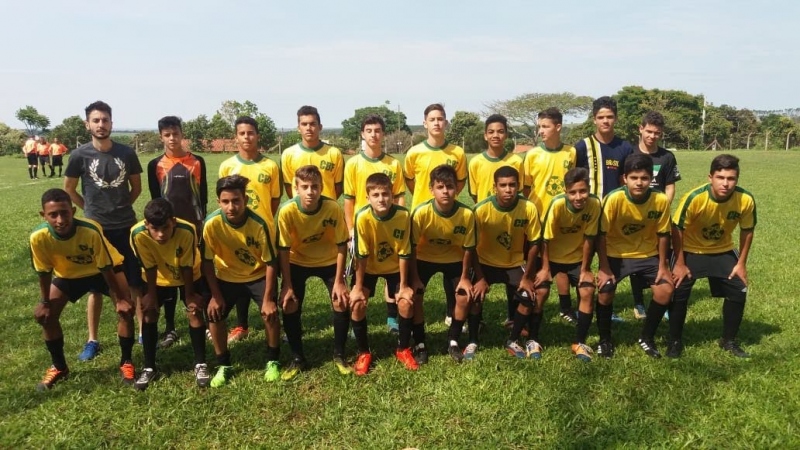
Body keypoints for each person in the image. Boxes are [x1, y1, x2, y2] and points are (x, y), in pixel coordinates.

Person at [30, 189, 135, 390]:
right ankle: (59, 367)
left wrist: (121, 298)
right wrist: (44, 303)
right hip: (68, 275)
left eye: (64, 213)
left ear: (73, 210)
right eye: (53, 215)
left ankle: (127, 362)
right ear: (43, 215)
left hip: (106, 271)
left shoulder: (90, 230)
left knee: (126, 310)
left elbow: (105, 267)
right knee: (47, 317)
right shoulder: (38, 237)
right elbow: (44, 272)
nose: (60, 220)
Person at [64, 101, 143, 362]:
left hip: (125, 227)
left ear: (111, 122)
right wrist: (90, 210)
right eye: (96, 120)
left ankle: (142, 332)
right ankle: (92, 340)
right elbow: (69, 189)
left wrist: (121, 208)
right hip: (96, 231)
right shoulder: (79, 156)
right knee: (96, 289)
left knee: (134, 282)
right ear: (87, 124)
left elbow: (136, 188)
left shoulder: (126, 153)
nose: (101, 124)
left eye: (105, 120)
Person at [668, 154, 756, 358]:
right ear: (710, 177)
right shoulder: (695, 198)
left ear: (737, 179)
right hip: (690, 250)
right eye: (720, 177)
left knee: (739, 289)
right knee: (679, 290)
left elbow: (747, 230)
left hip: (722, 249)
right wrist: (679, 263)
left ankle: (729, 341)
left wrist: (741, 264)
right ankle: (674, 341)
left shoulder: (745, 199)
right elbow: (676, 228)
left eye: (731, 178)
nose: (726, 183)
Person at [202, 175, 282, 385]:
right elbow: (207, 262)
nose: (231, 206)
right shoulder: (211, 224)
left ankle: (273, 360)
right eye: (226, 201)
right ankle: (223, 364)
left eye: (236, 201)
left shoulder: (259, 224)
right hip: (227, 278)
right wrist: (215, 296)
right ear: (218, 201)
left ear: (245, 200)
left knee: (270, 314)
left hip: (257, 276)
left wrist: (268, 298)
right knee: (214, 315)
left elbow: (271, 263)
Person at [276, 165, 350, 380]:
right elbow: (283, 249)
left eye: (315, 187)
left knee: (341, 300)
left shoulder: (332, 207)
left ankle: (339, 354)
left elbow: (341, 245)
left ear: (321, 187)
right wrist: (287, 285)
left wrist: (339, 280)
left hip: (328, 260)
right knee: (290, 303)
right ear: (295, 188)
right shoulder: (287, 210)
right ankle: (298, 357)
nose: (310, 192)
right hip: (297, 261)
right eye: (305, 187)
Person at [596, 154, 673, 358]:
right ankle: (605, 340)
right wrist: (604, 268)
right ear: (625, 178)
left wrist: (664, 265)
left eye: (644, 178)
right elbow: (601, 235)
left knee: (665, 290)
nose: (639, 183)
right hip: (616, 254)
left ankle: (647, 337)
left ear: (651, 179)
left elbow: (664, 233)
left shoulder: (660, 199)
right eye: (634, 178)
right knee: (605, 291)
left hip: (648, 255)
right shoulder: (614, 199)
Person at [130, 198, 210, 390]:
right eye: (154, 229)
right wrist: (149, 294)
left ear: (173, 221)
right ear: (146, 224)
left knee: (194, 311)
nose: (160, 234)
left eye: (165, 228)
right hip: (157, 277)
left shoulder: (188, 230)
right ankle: (149, 367)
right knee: (149, 313)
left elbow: (187, 265)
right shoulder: (137, 234)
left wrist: (189, 295)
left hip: (190, 273)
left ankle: (201, 363)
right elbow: (148, 266)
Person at [146, 116, 208, 349]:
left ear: (182, 134)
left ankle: (201, 319)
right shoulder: (155, 165)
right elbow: (155, 200)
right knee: (168, 277)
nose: (172, 138)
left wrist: (200, 223)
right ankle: (170, 327)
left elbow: (202, 197)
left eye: (176, 133)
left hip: (193, 229)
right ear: (161, 137)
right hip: (167, 231)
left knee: (194, 273)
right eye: (167, 134)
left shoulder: (197, 162)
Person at [472, 167, 547, 360]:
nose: (508, 189)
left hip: (513, 263)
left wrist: (528, 277)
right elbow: (469, 246)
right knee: (471, 297)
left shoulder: (528, 207)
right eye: (503, 185)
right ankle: (472, 339)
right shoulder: (481, 210)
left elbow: (534, 243)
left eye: (512, 185)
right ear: (494, 187)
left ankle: (513, 339)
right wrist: (479, 277)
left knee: (531, 295)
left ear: (519, 186)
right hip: (486, 263)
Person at [219, 116, 282, 343]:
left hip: (263, 233)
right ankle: (241, 325)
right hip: (236, 232)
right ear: (236, 137)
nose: (247, 137)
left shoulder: (270, 166)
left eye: (251, 133)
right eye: (242, 133)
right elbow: (225, 197)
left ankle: (274, 323)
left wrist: (262, 220)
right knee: (240, 275)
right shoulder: (227, 165)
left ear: (258, 136)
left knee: (266, 277)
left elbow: (274, 200)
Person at [404, 103, 468, 327]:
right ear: (425, 123)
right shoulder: (414, 153)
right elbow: (411, 182)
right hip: (422, 218)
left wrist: (447, 200)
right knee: (419, 264)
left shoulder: (457, 153)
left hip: (450, 216)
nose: (437, 123)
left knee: (452, 261)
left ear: (446, 123)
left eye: (441, 119)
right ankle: (411, 311)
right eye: (432, 119)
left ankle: (452, 311)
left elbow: (459, 182)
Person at [343, 114, 405, 333]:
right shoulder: (353, 164)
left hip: (389, 227)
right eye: (369, 130)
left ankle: (392, 320)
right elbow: (348, 201)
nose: (373, 134)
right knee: (361, 274)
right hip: (364, 228)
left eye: (377, 130)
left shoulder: (394, 164)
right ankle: (355, 324)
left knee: (392, 274)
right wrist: (351, 230)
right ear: (362, 134)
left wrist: (401, 221)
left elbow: (399, 196)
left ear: (383, 134)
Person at [575, 96, 634, 323]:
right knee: (584, 262)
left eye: (610, 117)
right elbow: (576, 181)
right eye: (601, 117)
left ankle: (607, 306)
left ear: (616, 119)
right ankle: (581, 306)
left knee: (608, 262)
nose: (605, 121)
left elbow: (625, 179)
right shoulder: (583, 146)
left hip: (612, 214)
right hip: (587, 214)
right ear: (594, 120)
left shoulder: (625, 147)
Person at [409, 165, 475, 364]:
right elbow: (411, 248)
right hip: (424, 259)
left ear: (457, 189)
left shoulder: (466, 214)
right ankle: (420, 342)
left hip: (454, 260)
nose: (445, 191)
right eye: (440, 187)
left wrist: (464, 278)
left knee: (463, 297)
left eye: (450, 186)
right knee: (416, 295)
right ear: (431, 189)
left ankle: (453, 339)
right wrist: (414, 278)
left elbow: (468, 248)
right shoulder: (421, 213)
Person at [351, 173, 415, 373]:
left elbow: (405, 252)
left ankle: (403, 349)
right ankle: (363, 352)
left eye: (385, 194)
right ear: (368, 197)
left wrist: (404, 287)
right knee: (357, 304)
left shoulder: (403, 215)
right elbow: (361, 255)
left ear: (393, 195)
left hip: (395, 267)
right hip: (368, 267)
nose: (381, 199)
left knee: (405, 302)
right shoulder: (362, 217)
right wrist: (358, 288)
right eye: (376, 194)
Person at [522, 107, 578, 326]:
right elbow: (526, 189)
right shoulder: (533, 155)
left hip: (563, 217)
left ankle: (565, 307)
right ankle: (533, 307)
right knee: (536, 264)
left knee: (561, 261)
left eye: (545, 126)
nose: (541, 131)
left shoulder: (571, 153)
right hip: (538, 218)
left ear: (558, 127)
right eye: (539, 127)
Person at [541, 168, 600, 361]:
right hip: (552, 258)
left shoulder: (594, 204)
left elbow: (589, 239)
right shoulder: (557, 204)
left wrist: (585, 270)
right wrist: (545, 269)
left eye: (583, 191)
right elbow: (545, 239)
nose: (579, 196)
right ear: (566, 192)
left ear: (589, 189)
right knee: (539, 291)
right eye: (573, 192)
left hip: (575, 260)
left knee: (587, 290)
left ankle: (579, 341)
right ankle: (532, 336)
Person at [629, 111, 682, 320]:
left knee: (662, 254)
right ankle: (638, 302)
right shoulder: (629, 153)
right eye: (649, 131)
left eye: (657, 133)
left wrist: (662, 209)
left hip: (658, 215)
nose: (652, 136)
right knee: (635, 256)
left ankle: (662, 298)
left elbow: (670, 187)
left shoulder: (667, 156)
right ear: (640, 129)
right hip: (633, 215)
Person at [281, 106, 344, 200]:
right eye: (304, 124)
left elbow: (339, 187)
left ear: (320, 127)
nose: (308, 128)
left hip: (327, 211)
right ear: (298, 128)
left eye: (312, 124)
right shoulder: (288, 154)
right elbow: (289, 186)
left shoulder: (334, 153)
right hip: (300, 212)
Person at [468, 114, 523, 203]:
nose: (495, 135)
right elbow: (475, 195)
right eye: (491, 132)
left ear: (506, 135)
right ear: (485, 135)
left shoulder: (516, 161)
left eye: (500, 131)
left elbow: (518, 191)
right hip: (484, 215)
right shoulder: (475, 163)